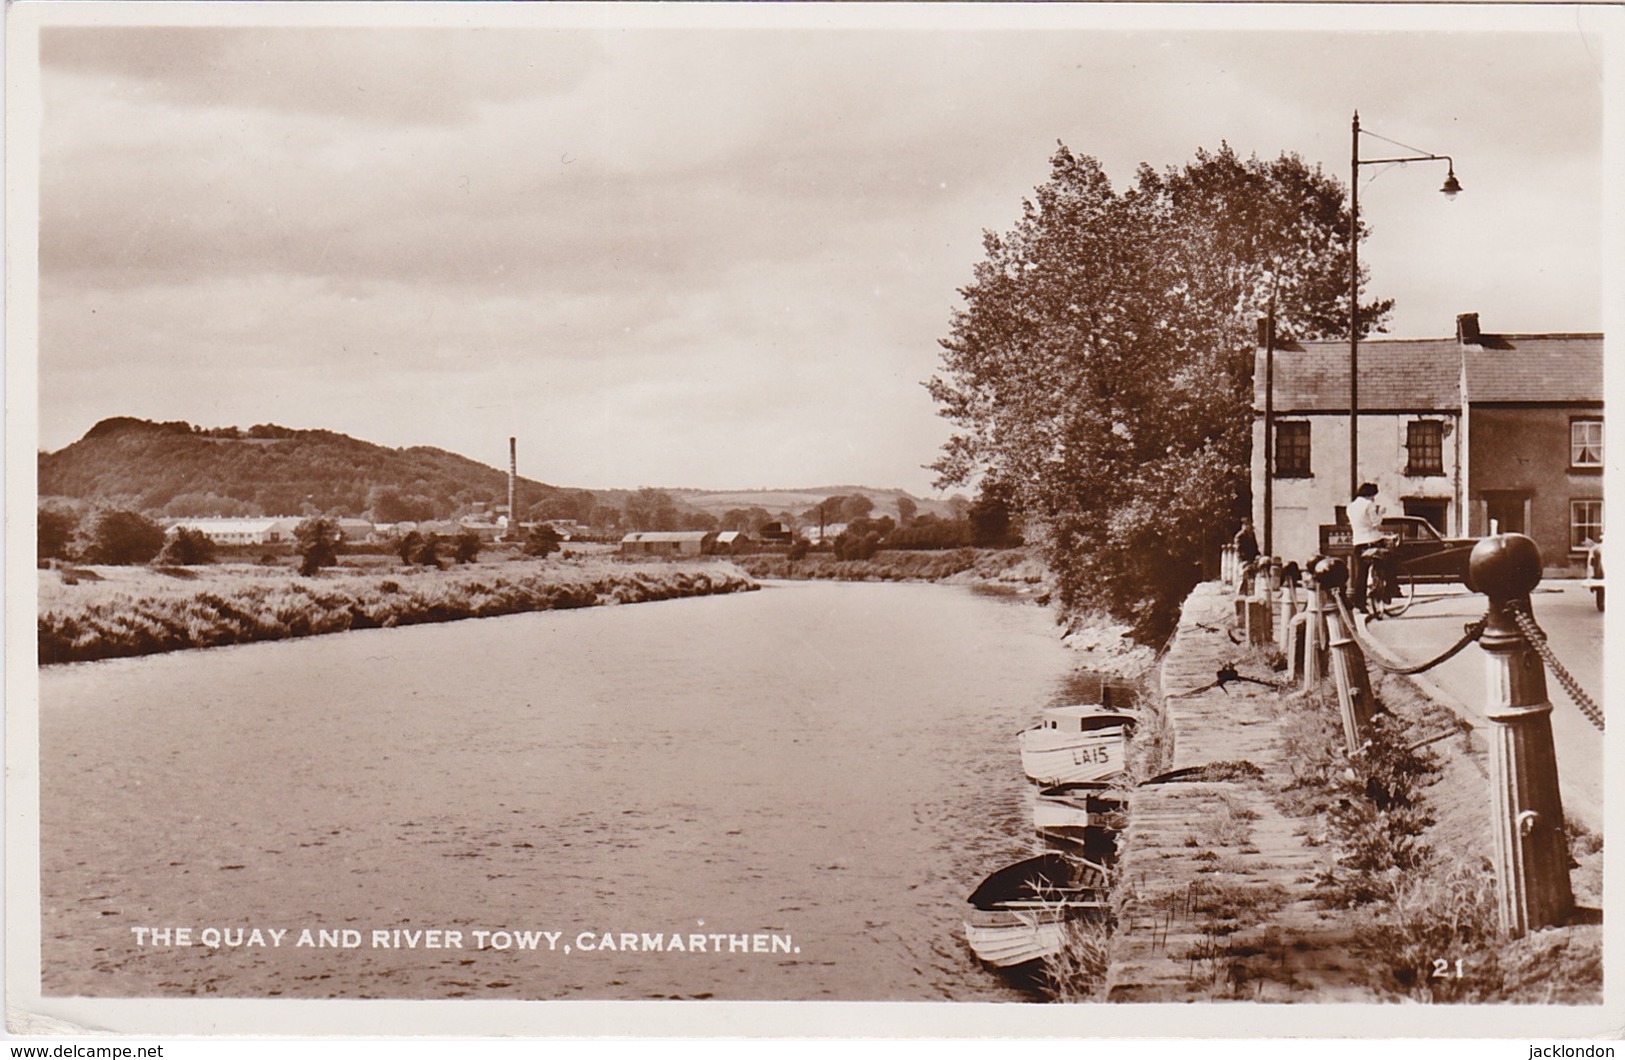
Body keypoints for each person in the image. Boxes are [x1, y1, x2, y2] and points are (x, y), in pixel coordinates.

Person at [1346, 482, 1386, 612]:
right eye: (1373, 495)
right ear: (1369, 494)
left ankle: (1360, 604)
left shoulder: (1350, 507)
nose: (1374, 498)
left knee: (1361, 574)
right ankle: (1389, 591)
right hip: (1373, 541)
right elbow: (1376, 524)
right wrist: (1380, 513)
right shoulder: (1369, 505)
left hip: (1358, 543)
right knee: (1389, 563)